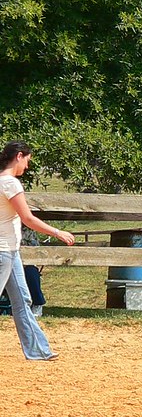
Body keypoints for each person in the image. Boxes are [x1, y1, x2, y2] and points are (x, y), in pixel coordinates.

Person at [0, 141, 75, 360]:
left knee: (23, 300)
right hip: (3, 251)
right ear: (19, 156)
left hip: (10, 251)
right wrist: (57, 232)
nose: (27, 167)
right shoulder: (10, 184)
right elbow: (27, 218)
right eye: (27, 161)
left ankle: (38, 350)